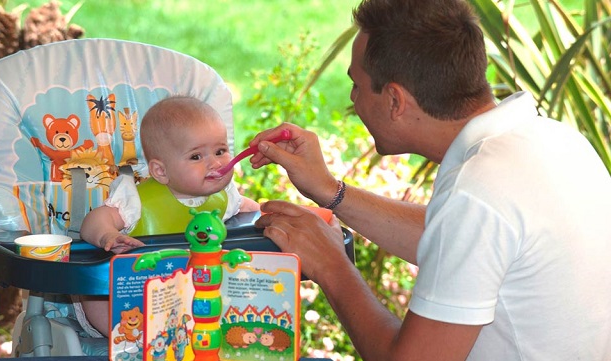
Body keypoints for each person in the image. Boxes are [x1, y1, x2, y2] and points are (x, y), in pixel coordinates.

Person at [248, 0, 611, 360]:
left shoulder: (479, 192)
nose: (353, 99)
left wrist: (330, 264)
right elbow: (461, 240)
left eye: (356, 85)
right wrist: (329, 190)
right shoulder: (554, 139)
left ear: (395, 100)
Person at [76, 95, 260, 337]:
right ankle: (130, 340)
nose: (215, 163)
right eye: (196, 156)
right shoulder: (137, 200)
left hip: (196, 290)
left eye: (220, 150)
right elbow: (94, 221)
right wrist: (108, 235)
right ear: (161, 171)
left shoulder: (226, 196)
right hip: (136, 294)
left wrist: (268, 215)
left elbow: (251, 211)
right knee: (95, 294)